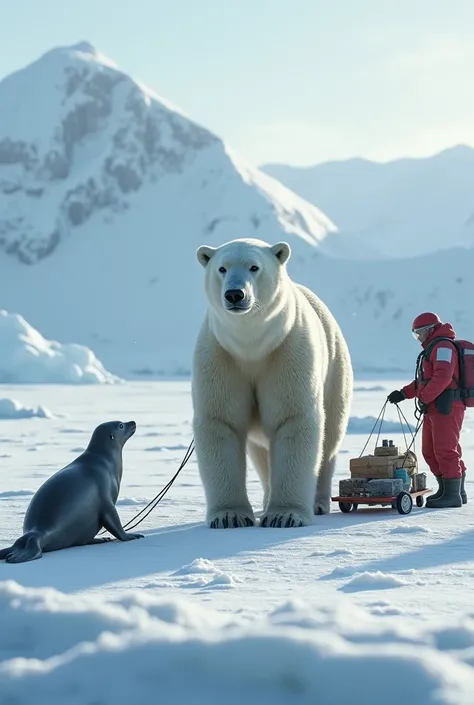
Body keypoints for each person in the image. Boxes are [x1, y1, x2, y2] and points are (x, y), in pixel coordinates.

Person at [387, 312, 467, 509]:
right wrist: (404, 393)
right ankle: (450, 490)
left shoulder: (444, 347)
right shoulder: (433, 348)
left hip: (447, 406)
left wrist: (424, 397)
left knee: (445, 450)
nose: (419, 338)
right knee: (430, 451)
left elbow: (443, 377)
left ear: (430, 329)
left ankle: (452, 495)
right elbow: (424, 380)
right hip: (434, 407)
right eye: (416, 334)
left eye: (420, 333)